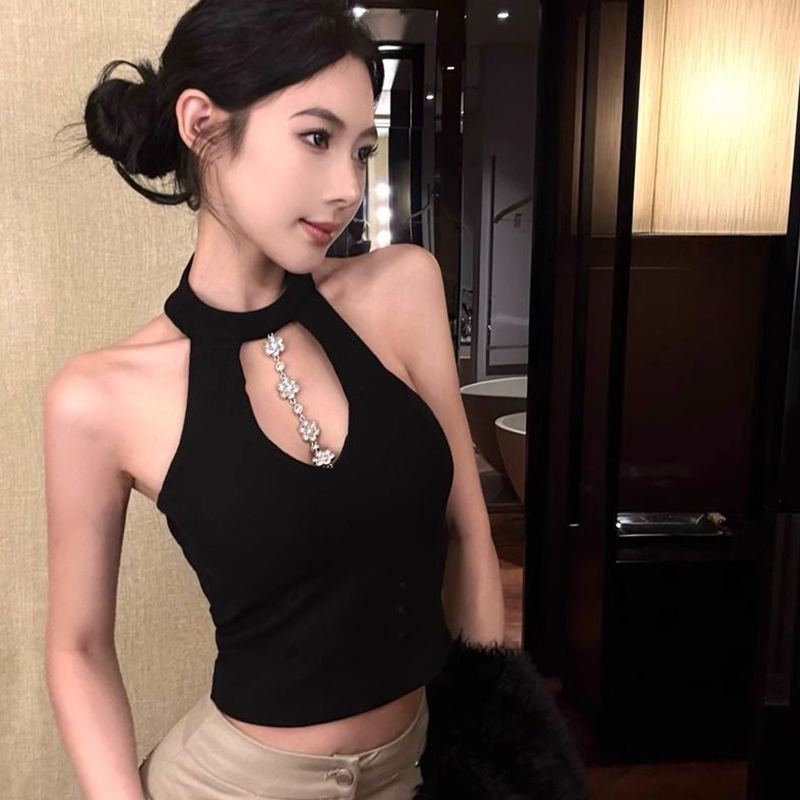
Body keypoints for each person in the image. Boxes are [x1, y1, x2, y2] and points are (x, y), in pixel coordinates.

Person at [43, 2, 509, 799]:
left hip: (415, 767)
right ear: (202, 126)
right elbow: (77, 648)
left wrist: (494, 752)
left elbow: (469, 533)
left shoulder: (402, 288)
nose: (348, 188)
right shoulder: (98, 397)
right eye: (316, 138)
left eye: (362, 150)